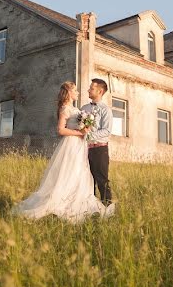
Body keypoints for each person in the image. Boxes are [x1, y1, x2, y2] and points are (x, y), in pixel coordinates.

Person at [12, 81, 111, 222]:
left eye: (91, 88)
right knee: (69, 173)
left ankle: (93, 202)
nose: (79, 92)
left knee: (85, 175)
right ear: (69, 92)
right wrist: (81, 133)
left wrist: (85, 132)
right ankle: (64, 201)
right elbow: (60, 130)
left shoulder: (83, 109)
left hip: (86, 146)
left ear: (100, 91)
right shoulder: (69, 108)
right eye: (75, 90)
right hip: (72, 145)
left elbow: (104, 130)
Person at [79, 78, 114, 212]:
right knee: (87, 180)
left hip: (100, 149)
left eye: (91, 88)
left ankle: (108, 209)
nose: (88, 90)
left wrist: (88, 135)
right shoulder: (84, 109)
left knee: (102, 180)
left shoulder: (106, 110)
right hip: (84, 150)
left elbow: (107, 130)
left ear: (99, 91)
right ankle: (91, 209)